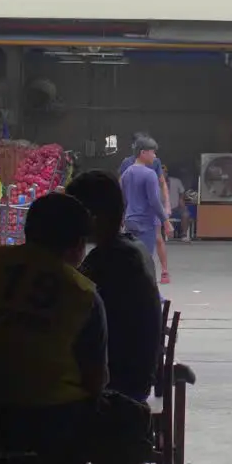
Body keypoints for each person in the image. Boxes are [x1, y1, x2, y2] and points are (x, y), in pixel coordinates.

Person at [0, 193, 151, 464]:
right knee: (134, 420)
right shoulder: (83, 293)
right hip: (53, 424)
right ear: (78, 246)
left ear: (27, 230)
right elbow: (95, 381)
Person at [67, 171, 162, 403]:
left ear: (91, 217)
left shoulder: (109, 260)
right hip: (135, 376)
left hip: (119, 387)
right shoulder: (134, 247)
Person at [121, 132, 172, 283]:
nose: (155, 156)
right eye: (153, 152)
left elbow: (122, 199)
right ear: (143, 153)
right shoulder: (149, 174)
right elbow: (154, 201)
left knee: (132, 258)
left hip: (130, 221)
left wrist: (121, 218)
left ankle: (131, 288)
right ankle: (150, 294)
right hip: (146, 223)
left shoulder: (126, 173)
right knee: (146, 260)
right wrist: (166, 221)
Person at [166, 168, 189, 241]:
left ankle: (184, 235)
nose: (163, 174)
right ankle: (167, 234)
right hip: (163, 208)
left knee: (185, 214)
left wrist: (181, 199)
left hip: (176, 207)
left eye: (165, 172)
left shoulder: (176, 181)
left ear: (167, 173)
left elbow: (182, 191)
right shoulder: (155, 182)